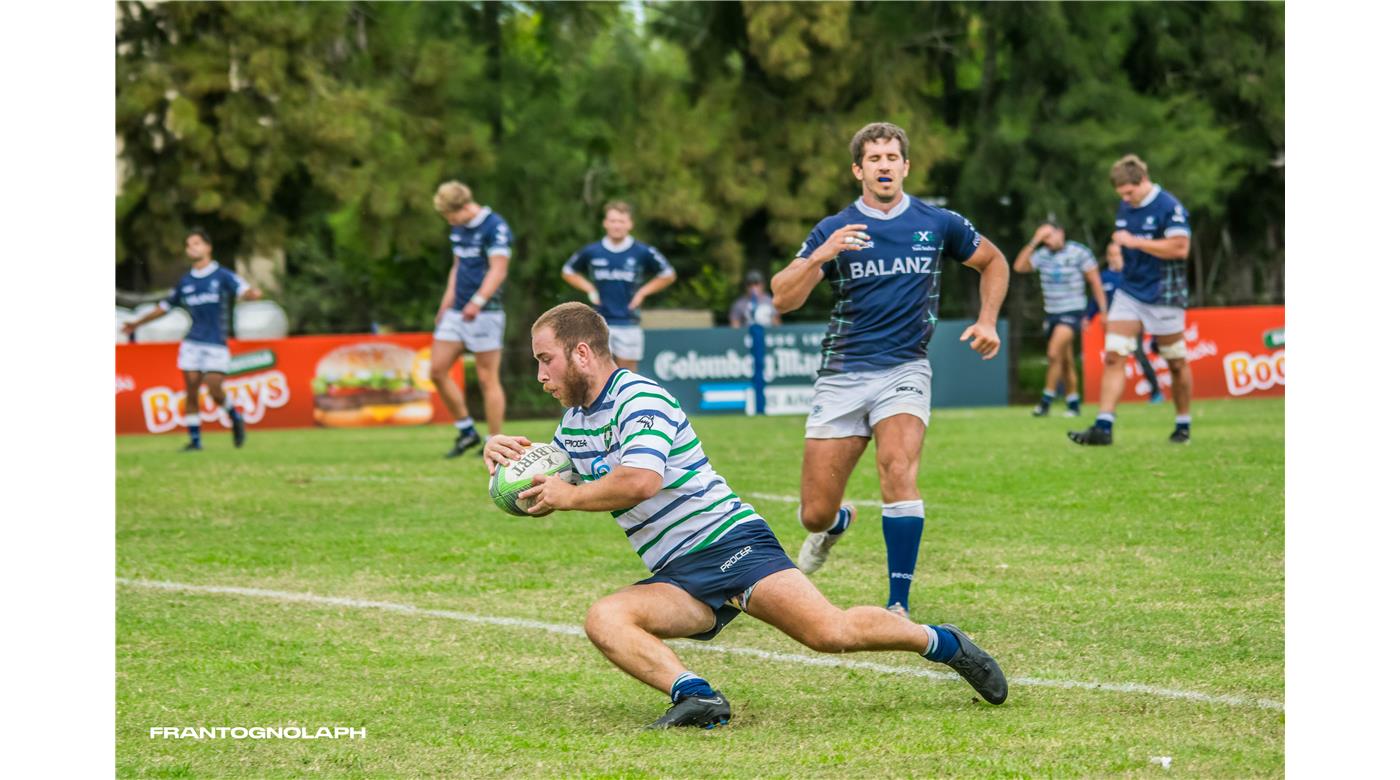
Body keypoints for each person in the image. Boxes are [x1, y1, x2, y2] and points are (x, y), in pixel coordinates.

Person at [483, 302, 1007, 729]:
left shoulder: (638, 398)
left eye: (545, 359)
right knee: (606, 618)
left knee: (830, 633)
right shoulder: (574, 424)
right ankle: (697, 697)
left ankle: (942, 641)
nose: (540, 375)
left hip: (730, 543)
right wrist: (509, 465)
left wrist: (566, 495)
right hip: (678, 574)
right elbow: (556, 490)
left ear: (581, 352)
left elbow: (641, 480)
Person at [769, 122, 1010, 618]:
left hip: (905, 368)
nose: (884, 165)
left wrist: (987, 320)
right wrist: (821, 255)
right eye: (874, 158)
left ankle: (897, 605)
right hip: (842, 374)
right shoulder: (834, 229)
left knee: (897, 469)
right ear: (858, 170)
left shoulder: (937, 222)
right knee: (814, 513)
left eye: (891, 157)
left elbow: (994, 262)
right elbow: (782, 297)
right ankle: (836, 524)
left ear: (906, 166)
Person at [1069, 155, 1193, 446]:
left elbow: (1180, 248)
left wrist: (1135, 242)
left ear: (1143, 181)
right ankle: (1103, 427)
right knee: (1114, 354)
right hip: (1129, 291)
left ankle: (1183, 424)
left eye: (1129, 193)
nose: (1125, 199)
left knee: (1175, 361)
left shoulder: (1169, 206)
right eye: (1121, 195)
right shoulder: (1126, 206)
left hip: (1163, 293)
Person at [122, 228, 261, 451]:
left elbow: (243, 289)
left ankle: (234, 415)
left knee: (214, 389)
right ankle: (195, 442)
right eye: (188, 245)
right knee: (192, 390)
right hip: (192, 343)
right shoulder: (185, 281)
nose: (192, 248)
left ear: (208, 247)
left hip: (216, 342)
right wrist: (137, 323)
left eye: (196, 243)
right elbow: (164, 307)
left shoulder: (221, 275)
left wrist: (251, 294)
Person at [431, 181, 513, 459]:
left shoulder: (495, 227)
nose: (449, 221)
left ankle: (495, 440)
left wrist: (477, 301)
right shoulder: (458, 228)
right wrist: (446, 303)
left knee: (487, 378)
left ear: (465, 207)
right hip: (457, 312)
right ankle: (467, 430)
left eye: (450, 215)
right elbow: (458, 267)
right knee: (437, 370)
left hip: (486, 312)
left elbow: (498, 269)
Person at [561, 201, 676, 371]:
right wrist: (590, 288)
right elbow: (568, 271)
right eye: (613, 221)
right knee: (596, 372)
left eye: (621, 221)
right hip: (598, 322)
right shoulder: (592, 251)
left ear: (630, 224)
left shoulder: (642, 251)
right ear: (605, 223)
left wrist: (643, 292)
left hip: (628, 322)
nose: (617, 225)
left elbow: (668, 274)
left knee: (626, 375)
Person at [1013, 220, 1107, 417]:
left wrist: (1103, 311)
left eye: (1049, 235)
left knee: (1053, 353)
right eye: (1044, 237)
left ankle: (1045, 402)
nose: (1046, 241)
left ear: (1061, 232)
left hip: (1072, 311)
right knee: (1065, 361)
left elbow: (1095, 282)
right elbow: (1019, 267)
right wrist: (1035, 240)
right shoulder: (1042, 254)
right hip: (1052, 313)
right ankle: (1073, 403)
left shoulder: (1079, 252)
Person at [1086, 242, 1163, 403]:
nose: (1114, 258)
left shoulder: (1132, 276)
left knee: (1140, 356)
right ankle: (1110, 398)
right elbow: (1096, 300)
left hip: (1132, 323)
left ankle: (1156, 392)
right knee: (1113, 359)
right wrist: (1088, 316)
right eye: (1111, 254)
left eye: (1118, 254)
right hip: (1113, 325)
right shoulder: (1104, 277)